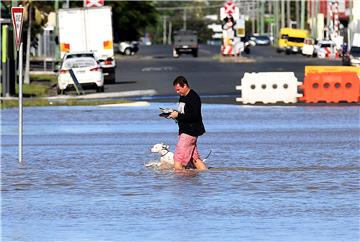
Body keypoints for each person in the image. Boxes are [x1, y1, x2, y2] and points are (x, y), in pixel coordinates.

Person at [168, 76, 207, 171]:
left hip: (190, 131)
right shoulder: (182, 97)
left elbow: (193, 116)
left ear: (185, 85)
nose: (177, 92)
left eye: (178, 89)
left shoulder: (193, 97)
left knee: (178, 159)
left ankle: (179, 184)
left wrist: (177, 115)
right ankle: (205, 174)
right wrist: (172, 115)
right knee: (195, 159)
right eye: (176, 90)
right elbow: (183, 114)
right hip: (185, 130)